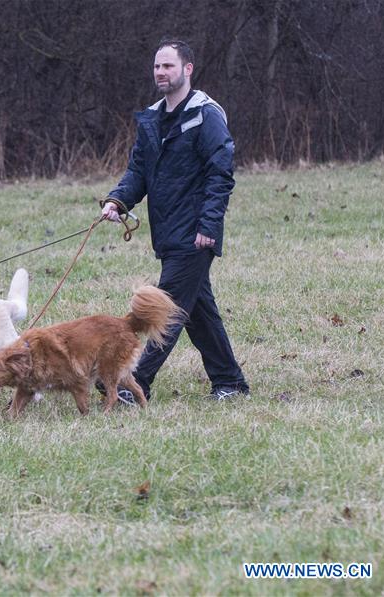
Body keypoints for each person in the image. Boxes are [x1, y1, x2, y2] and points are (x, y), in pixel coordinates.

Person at [98, 38, 249, 404]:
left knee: (162, 310)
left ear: (187, 69)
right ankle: (230, 382)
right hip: (167, 234)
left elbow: (220, 174)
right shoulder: (152, 118)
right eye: (157, 66)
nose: (161, 72)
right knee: (197, 311)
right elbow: (139, 171)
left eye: (168, 66)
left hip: (196, 235)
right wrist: (118, 200)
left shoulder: (205, 114)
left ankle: (134, 384)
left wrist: (209, 227)